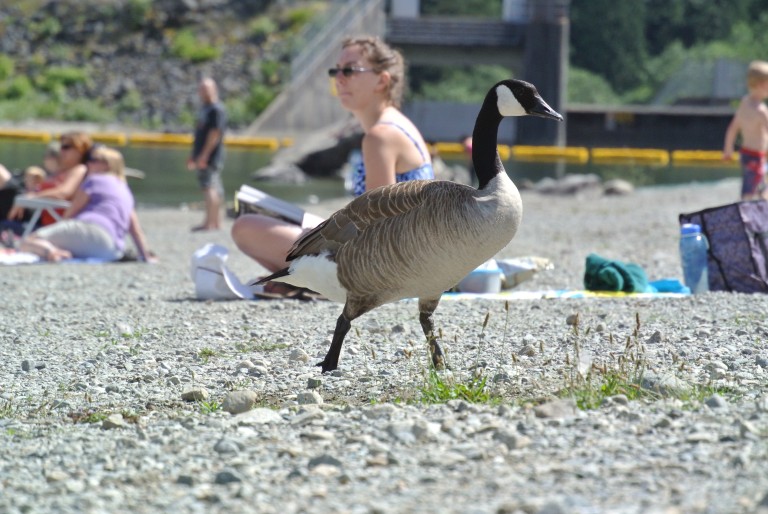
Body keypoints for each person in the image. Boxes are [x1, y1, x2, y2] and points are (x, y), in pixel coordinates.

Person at [231, 35, 434, 274]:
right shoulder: (394, 126)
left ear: (381, 81)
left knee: (246, 227)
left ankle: (314, 285)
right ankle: (301, 282)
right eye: (335, 70)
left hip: (391, 268)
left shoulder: (381, 136)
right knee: (294, 222)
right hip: (410, 257)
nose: (338, 78)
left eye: (349, 71)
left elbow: (379, 229)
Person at [20, 146, 156, 263]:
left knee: (28, 241)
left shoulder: (94, 180)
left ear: (107, 165)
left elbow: (72, 211)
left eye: (93, 160)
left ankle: (52, 253)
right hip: (111, 249)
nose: (88, 164)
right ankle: (60, 252)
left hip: (90, 228)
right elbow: (135, 229)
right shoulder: (125, 190)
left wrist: (60, 226)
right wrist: (145, 255)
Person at [8, 131, 93, 225]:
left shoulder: (79, 169)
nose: (61, 150)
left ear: (80, 150)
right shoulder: (64, 170)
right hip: (39, 212)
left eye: (66, 147)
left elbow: (63, 193)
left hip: (45, 219)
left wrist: (33, 196)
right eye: (61, 146)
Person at [723, 60, 768, 200]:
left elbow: (732, 128)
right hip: (757, 156)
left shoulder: (744, 104)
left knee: (754, 185)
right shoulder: (761, 111)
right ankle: (748, 213)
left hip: (745, 155)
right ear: (762, 85)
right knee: (752, 191)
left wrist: (728, 149)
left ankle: (754, 211)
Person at [187, 77, 227, 232]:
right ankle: (215, 222)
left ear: (214, 90)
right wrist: (193, 155)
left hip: (211, 156)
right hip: (203, 154)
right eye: (202, 89)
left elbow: (215, 133)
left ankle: (209, 223)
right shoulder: (206, 108)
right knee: (214, 187)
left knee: (208, 187)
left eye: (207, 89)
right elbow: (200, 133)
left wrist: (204, 155)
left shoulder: (216, 110)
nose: (204, 93)